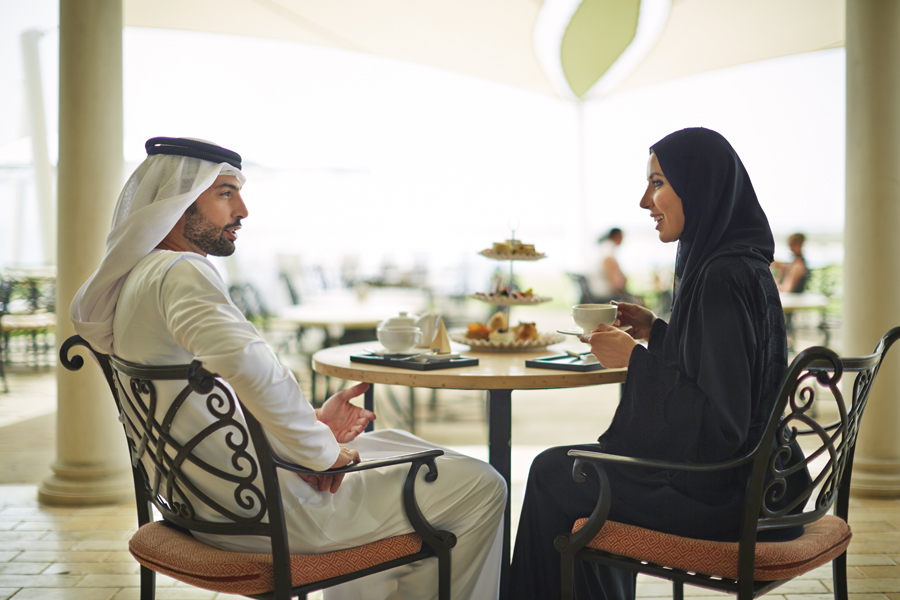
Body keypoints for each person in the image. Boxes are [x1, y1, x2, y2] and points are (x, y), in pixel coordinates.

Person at [70, 137, 506, 600]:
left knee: (401, 443)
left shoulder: (139, 279)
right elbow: (248, 367)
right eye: (225, 193)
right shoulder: (180, 272)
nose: (242, 211)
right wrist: (319, 453)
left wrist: (312, 427)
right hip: (264, 512)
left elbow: (208, 408)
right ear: (176, 202)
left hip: (210, 500)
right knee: (481, 484)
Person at [508, 128, 811, 600]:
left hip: (728, 496)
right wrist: (657, 331)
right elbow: (729, 377)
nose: (644, 201)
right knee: (568, 470)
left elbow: (720, 430)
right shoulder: (745, 264)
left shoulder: (720, 278)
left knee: (551, 473)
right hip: (769, 485)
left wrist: (635, 360)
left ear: (699, 187)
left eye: (657, 183)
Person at [586, 228, 629, 302]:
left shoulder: (601, 248)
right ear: (617, 236)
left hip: (593, 289)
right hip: (602, 292)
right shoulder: (607, 251)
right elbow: (614, 280)